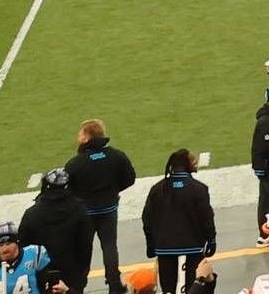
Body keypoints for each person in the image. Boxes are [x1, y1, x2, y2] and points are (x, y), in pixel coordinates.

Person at [61, 123, 132, 294]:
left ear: (87, 136)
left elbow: (66, 188)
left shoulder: (76, 163)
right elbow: (129, 178)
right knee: (109, 246)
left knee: (83, 250)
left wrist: (79, 200)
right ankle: (114, 284)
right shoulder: (117, 156)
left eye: (81, 133)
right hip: (108, 209)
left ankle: (78, 287)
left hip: (85, 213)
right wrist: (113, 191)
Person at [135, 156, 211, 294]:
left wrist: (151, 246)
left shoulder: (157, 189)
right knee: (195, 287)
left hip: (165, 250)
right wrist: (211, 240)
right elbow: (207, 218)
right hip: (193, 248)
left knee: (168, 290)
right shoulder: (199, 189)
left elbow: (147, 219)